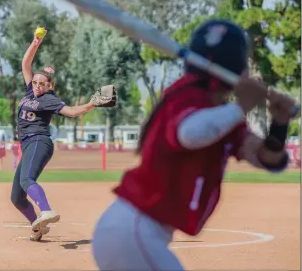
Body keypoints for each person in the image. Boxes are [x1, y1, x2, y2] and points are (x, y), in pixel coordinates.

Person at [91, 20, 296, 270]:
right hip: (132, 230)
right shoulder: (187, 97)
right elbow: (190, 133)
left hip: (133, 234)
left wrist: (280, 123)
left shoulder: (219, 115)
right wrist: (241, 105)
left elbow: (267, 159)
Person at [11, 29, 117, 242]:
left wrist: (91, 104)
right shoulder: (29, 93)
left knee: (27, 179)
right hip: (28, 144)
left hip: (39, 141)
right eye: (35, 82)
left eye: (43, 83)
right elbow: (26, 64)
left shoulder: (49, 99)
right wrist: (35, 43)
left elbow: (70, 111)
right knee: (17, 197)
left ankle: (47, 211)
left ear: (50, 85)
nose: (38, 85)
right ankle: (39, 227)